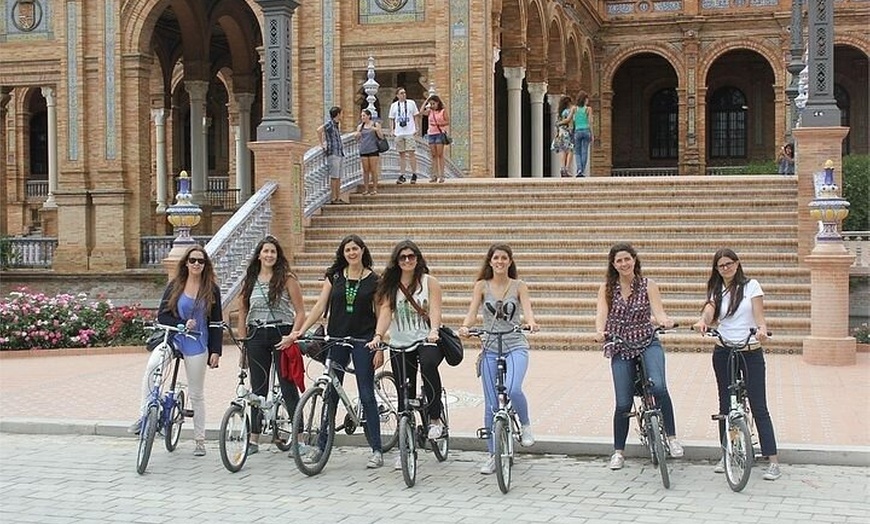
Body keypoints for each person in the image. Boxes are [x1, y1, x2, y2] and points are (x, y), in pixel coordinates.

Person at [288, 234, 384, 468]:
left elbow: (381, 312)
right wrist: (300, 330)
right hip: (337, 338)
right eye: (347, 250)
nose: (351, 253)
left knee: (366, 392)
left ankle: (377, 448)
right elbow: (320, 306)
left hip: (363, 339)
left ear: (362, 251)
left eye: (355, 249)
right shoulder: (334, 277)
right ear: (343, 253)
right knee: (330, 393)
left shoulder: (374, 280)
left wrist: (378, 342)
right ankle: (321, 445)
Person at [692, 248, 781, 481]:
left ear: (737, 263)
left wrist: (761, 330)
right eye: (720, 266)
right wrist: (702, 321)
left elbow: (759, 317)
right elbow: (709, 310)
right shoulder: (716, 288)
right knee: (726, 405)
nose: (725, 269)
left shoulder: (751, 286)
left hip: (750, 350)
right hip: (724, 350)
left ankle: (772, 460)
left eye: (729, 264)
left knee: (759, 406)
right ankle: (727, 453)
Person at [593, 242, 683, 470]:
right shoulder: (606, 288)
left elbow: (659, 311)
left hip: (646, 341)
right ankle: (618, 452)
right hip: (620, 343)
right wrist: (599, 332)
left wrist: (664, 320)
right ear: (613, 264)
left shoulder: (648, 285)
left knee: (660, 387)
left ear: (634, 260)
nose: (624, 264)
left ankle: (672, 439)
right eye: (619, 260)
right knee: (623, 402)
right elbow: (601, 315)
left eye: (627, 259)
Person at [130, 245, 222, 457]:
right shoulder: (176, 285)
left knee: (196, 393)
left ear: (205, 265)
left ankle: (199, 439)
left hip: (198, 343)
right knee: (153, 367)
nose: (196, 264)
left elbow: (216, 322)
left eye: (201, 261)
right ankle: (145, 416)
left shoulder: (212, 289)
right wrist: (181, 323)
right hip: (174, 339)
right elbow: (162, 316)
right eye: (192, 261)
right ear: (186, 263)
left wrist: (215, 351)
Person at [458, 243, 539, 475]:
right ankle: (493, 455)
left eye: (504, 258)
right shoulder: (481, 286)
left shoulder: (519, 286)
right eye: (496, 258)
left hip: (515, 345)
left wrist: (531, 323)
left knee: (513, 388)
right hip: (491, 346)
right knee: (492, 403)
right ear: (490, 261)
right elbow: (473, 313)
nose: (500, 262)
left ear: (510, 261)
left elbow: (528, 311)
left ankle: (525, 425)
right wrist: (465, 327)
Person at [368, 240, 445, 470]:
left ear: (418, 259)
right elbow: (385, 312)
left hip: (425, 339)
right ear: (397, 261)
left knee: (429, 365)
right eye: (403, 257)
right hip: (401, 342)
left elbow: (435, 310)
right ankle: (406, 445)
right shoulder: (390, 285)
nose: (408, 260)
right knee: (405, 391)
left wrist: (434, 331)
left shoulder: (429, 282)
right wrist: (379, 335)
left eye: (412, 256)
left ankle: (434, 417)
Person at [237, 235, 307, 455]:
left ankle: (300, 438)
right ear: (259, 255)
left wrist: (293, 336)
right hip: (257, 334)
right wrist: (243, 342)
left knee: (288, 386)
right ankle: (254, 438)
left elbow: (300, 312)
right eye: (265, 251)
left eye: (273, 252)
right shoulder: (250, 280)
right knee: (258, 389)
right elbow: (243, 313)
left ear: (278, 256)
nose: (269, 255)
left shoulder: (286, 278)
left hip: (281, 334)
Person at [388, 88, 420, 185]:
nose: (404, 95)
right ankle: (402, 174)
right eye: (401, 93)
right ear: (397, 95)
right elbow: (391, 118)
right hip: (399, 132)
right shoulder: (394, 105)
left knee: (411, 153)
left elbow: (416, 115)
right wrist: (392, 129)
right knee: (401, 154)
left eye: (405, 93)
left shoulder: (411, 103)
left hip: (409, 131)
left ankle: (414, 173)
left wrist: (417, 127)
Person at [317, 106, 346, 204]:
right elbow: (319, 130)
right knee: (334, 177)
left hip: (339, 152)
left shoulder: (337, 125)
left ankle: (338, 197)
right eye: (341, 113)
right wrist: (322, 144)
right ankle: (334, 198)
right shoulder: (330, 124)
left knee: (338, 176)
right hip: (333, 152)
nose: (342, 115)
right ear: (337, 114)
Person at [355, 109, 384, 196]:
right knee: (365, 170)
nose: (362, 117)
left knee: (373, 170)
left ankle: (375, 188)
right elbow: (357, 139)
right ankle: (366, 189)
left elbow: (381, 137)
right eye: (361, 116)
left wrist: (376, 130)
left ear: (369, 116)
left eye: (364, 115)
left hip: (373, 149)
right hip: (364, 149)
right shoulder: (360, 126)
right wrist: (357, 136)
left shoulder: (375, 124)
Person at [421, 95, 449, 183]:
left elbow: (447, 121)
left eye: (434, 103)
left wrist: (440, 124)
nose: (432, 105)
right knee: (433, 155)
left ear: (438, 103)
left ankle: (442, 175)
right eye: (431, 104)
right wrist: (426, 101)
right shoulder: (430, 111)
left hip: (439, 134)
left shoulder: (442, 111)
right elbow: (421, 112)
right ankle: (434, 175)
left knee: (440, 155)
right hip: (431, 134)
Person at [551, 95, 575, 177]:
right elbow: (569, 120)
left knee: (563, 151)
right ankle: (567, 169)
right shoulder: (570, 110)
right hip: (568, 132)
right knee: (571, 150)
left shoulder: (561, 112)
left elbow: (557, 123)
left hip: (561, 132)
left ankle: (562, 168)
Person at [572, 90, 594, 177]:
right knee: (584, 151)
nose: (588, 101)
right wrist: (592, 134)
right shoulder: (588, 109)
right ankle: (582, 170)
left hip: (577, 131)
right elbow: (590, 122)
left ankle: (579, 169)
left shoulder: (574, 109)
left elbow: (571, 120)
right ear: (585, 100)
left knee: (577, 152)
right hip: (586, 131)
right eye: (587, 99)